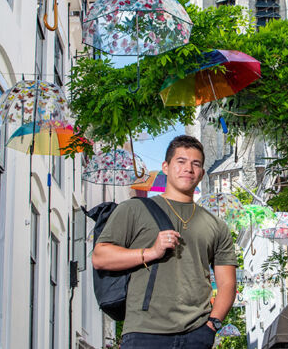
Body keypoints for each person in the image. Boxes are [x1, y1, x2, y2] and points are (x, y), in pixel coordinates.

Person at [92, 135, 238, 349]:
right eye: (181, 161)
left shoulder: (217, 225)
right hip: (144, 331)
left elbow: (227, 283)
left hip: (196, 333)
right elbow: (100, 257)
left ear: (202, 173)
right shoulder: (133, 210)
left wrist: (212, 325)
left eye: (195, 164)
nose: (188, 168)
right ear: (166, 167)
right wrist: (151, 252)